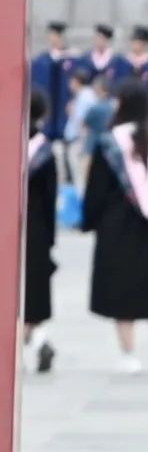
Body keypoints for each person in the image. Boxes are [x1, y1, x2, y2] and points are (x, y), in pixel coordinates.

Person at [81, 79, 148, 374]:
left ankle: (129, 354)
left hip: (117, 227)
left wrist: (89, 221)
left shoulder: (110, 143)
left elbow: (96, 189)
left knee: (121, 287)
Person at [24, 88, 57, 375]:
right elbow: (50, 198)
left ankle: (35, 343)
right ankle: (38, 340)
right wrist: (50, 240)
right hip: (36, 230)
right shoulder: (45, 151)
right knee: (32, 291)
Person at [30, 21, 77, 145]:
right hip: (48, 107)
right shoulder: (42, 60)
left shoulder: (72, 59)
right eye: (51, 35)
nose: (53, 38)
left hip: (64, 108)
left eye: (55, 35)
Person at [62, 69, 97, 188]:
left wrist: (72, 111)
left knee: (79, 172)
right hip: (77, 138)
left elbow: (82, 120)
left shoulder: (85, 96)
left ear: (77, 81)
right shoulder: (82, 95)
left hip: (80, 138)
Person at [80, 22, 120, 87]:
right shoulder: (86, 57)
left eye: (101, 38)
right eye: (97, 37)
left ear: (107, 40)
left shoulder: (116, 59)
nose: (98, 41)